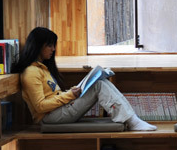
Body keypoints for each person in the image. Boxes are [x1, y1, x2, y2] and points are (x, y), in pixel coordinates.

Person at [14, 27, 156, 131]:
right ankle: (132, 121)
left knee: (100, 81)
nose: (53, 49)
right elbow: (40, 106)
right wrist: (70, 95)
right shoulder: (31, 73)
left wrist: (72, 92)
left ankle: (132, 119)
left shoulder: (41, 69)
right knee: (98, 85)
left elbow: (53, 96)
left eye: (53, 45)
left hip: (58, 111)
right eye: (49, 45)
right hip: (50, 117)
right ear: (38, 47)